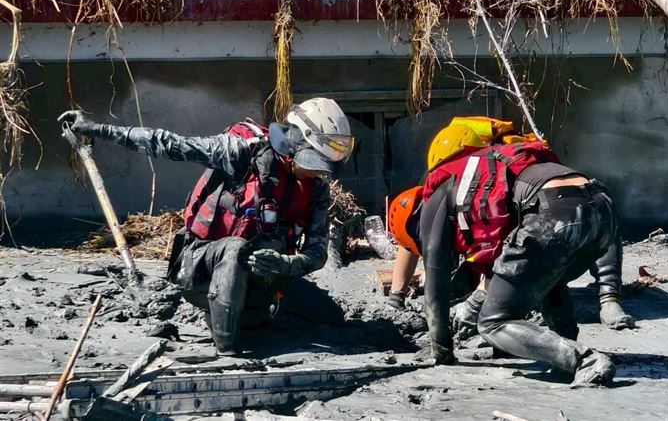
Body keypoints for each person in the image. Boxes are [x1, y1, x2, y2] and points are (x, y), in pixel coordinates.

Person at [59, 98, 355, 355]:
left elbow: (317, 253)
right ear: (293, 145)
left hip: (263, 273)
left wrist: (285, 264)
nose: (319, 172)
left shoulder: (315, 188)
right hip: (200, 264)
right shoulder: (241, 152)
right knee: (236, 248)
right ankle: (228, 351)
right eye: (314, 162)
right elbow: (167, 143)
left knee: (329, 317)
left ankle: (250, 313)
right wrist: (95, 129)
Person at [388, 141, 618, 385]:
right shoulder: (472, 186)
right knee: (547, 279)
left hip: (555, 212)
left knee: (492, 322)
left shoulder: (432, 201)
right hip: (603, 208)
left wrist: (441, 346)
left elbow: (436, 283)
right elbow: (508, 267)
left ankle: (584, 360)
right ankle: (563, 354)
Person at [387, 117, 633, 332]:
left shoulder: (502, 160)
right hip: (596, 204)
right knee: (547, 270)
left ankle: (608, 300)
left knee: (496, 317)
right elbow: (411, 238)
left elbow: (505, 243)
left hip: (562, 210)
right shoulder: (449, 179)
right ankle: (568, 343)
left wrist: (479, 300)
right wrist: (396, 295)